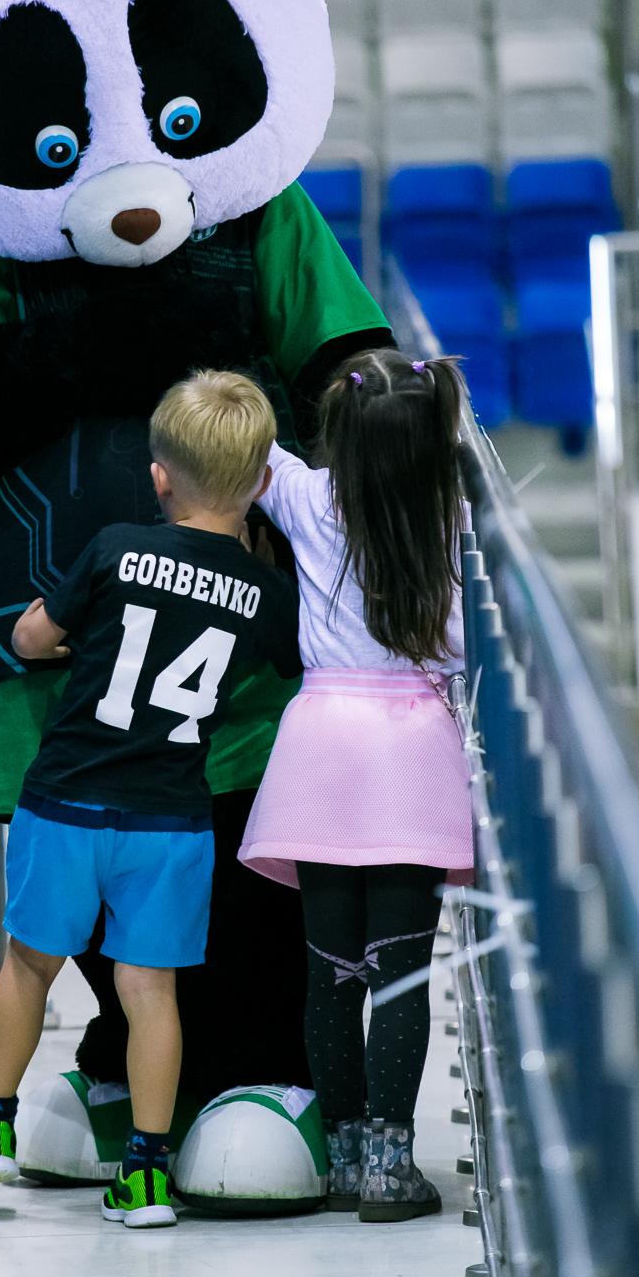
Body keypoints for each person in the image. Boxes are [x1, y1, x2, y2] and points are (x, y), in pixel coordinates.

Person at [0, 371, 300, 1228]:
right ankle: (146, 1175)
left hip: (66, 803)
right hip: (173, 820)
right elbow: (285, 662)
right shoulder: (263, 593)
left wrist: (61, 636)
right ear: (263, 482)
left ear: (158, 475)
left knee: (28, 965)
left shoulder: (113, 548)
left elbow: (30, 637)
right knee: (152, 991)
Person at [239, 348, 474, 1222]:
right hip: (411, 753)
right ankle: (389, 1166)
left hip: (319, 748)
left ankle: (339, 1158)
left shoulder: (308, 497)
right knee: (400, 976)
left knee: (329, 975)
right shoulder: (450, 516)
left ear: (339, 429)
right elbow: (459, 646)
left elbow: (248, 444)